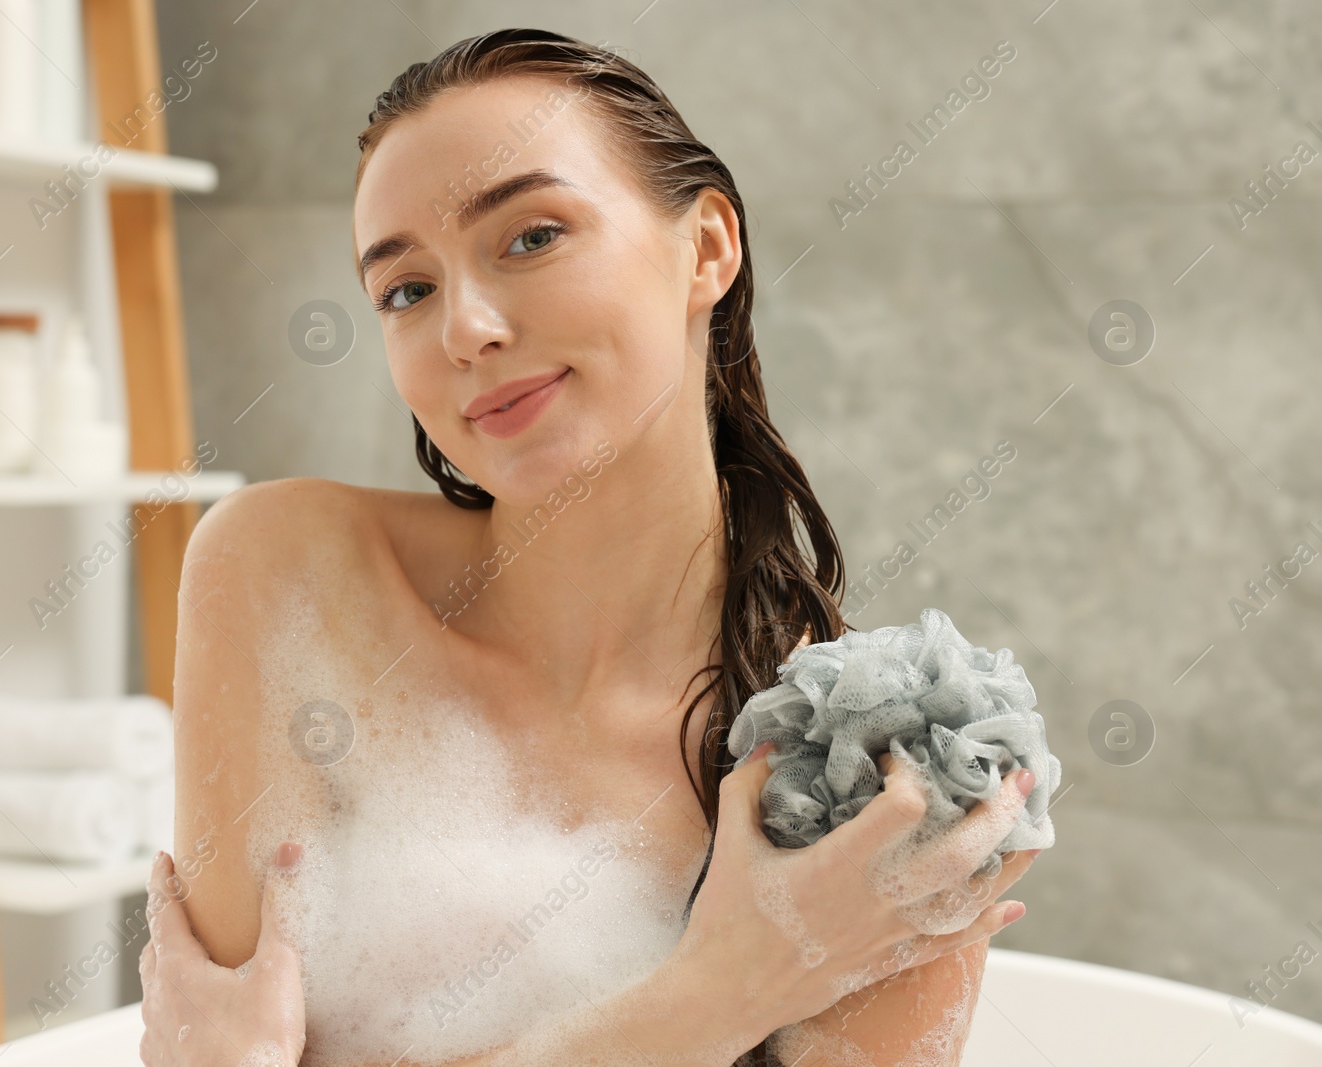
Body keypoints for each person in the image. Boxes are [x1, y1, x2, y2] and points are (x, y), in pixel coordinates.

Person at [137, 28, 1039, 1067]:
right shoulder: (292, 576)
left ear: (705, 249)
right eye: (406, 290)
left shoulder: (877, 764)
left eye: (531, 236)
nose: (464, 328)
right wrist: (718, 992)